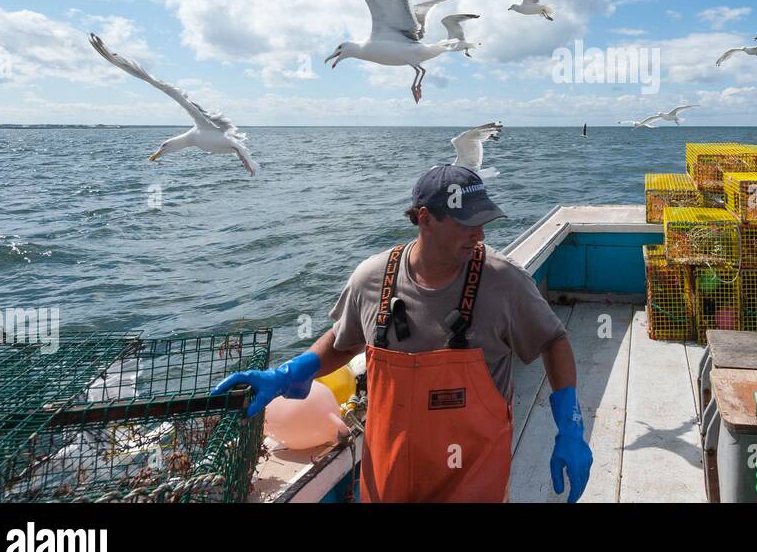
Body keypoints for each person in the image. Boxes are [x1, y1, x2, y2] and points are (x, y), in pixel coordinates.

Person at [215, 164, 593, 502]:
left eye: (483, 221)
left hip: (473, 479)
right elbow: (343, 341)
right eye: (465, 223)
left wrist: (570, 427)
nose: (478, 233)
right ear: (425, 219)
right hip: (389, 479)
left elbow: (553, 341)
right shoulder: (372, 279)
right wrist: (291, 372)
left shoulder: (505, 281)